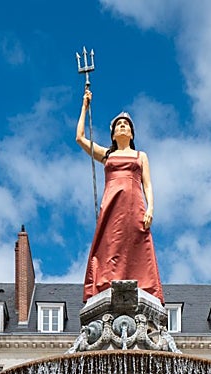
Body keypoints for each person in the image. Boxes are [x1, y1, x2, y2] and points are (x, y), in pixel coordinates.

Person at [75, 88, 162, 302]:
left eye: (126, 125)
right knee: (110, 244)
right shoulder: (108, 155)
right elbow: (80, 138)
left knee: (136, 243)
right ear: (113, 133)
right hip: (112, 205)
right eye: (119, 125)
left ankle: (143, 287)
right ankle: (106, 284)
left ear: (131, 134)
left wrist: (151, 208)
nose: (123, 126)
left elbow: (148, 185)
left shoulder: (140, 156)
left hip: (134, 206)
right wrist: (85, 106)